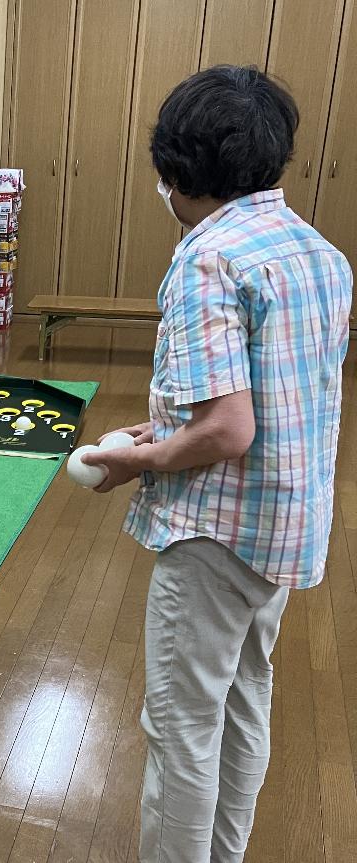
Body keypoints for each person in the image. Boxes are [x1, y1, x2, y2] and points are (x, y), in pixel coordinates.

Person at [82, 66, 351, 862]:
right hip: (284, 525)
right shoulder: (319, 253)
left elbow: (229, 429)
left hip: (217, 532)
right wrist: (165, 427)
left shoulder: (208, 259)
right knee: (242, 699)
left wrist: (141, 461)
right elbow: (268, 396)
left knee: (182, 725)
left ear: (176, 168)